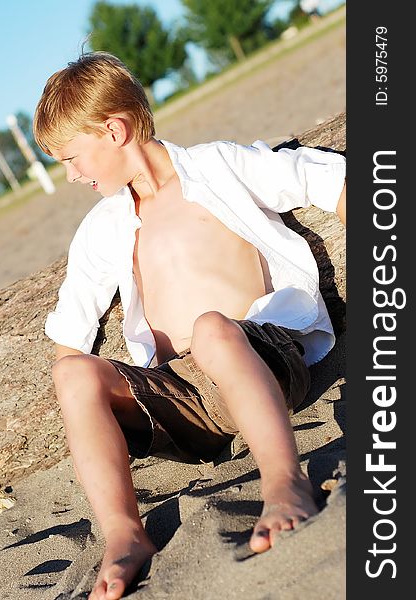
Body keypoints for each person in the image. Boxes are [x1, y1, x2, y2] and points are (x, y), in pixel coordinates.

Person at [33, 50, 346, 600]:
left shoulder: (216, 167)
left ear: (114, 130)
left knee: (211, 327)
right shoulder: (102, 228)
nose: (72, 175)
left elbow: (322, 179)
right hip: (181, 400)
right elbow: (71, 333)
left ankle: (283, 481)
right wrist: (95, 405)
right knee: (73, 375)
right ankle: (125, 533)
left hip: (258, 359)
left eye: (72, 157)